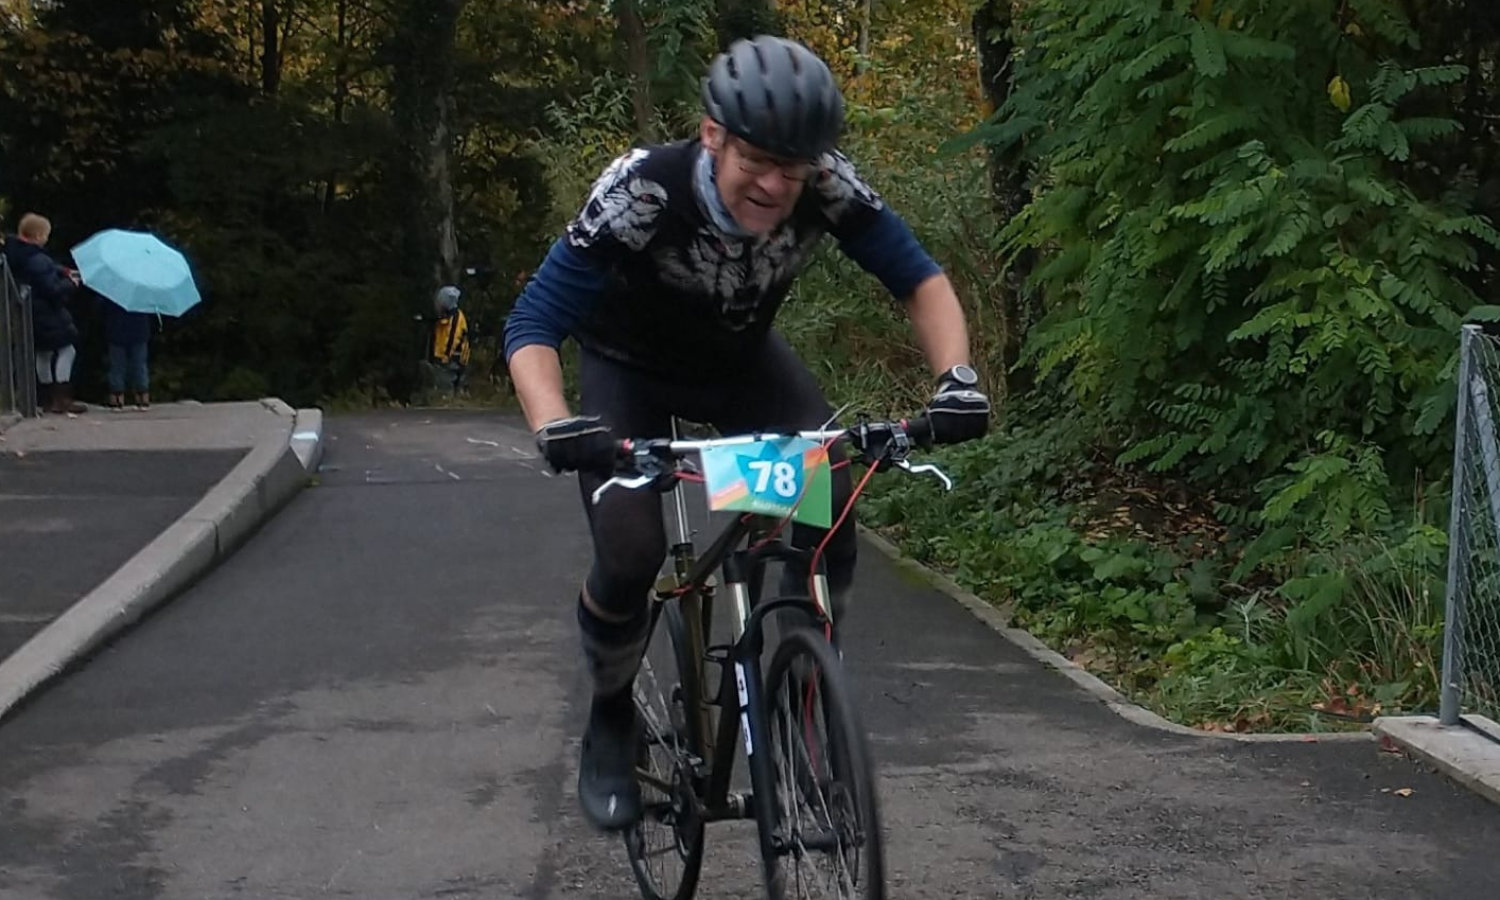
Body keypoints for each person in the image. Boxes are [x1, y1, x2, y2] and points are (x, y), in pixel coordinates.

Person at [502, 35, 991, 831]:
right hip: (627, 371)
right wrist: (555, 424)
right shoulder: (641, 190)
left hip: (739, 365)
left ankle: (805, 703)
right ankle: (610, 716)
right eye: (756, 161)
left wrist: (957, 378)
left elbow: (919, 278)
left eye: (791, 169)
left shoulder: (825, 184)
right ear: (712, 136)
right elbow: (533, 321)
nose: (772, 185)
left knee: (829, 499)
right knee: (630, 551)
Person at [3, 213, 86, 414]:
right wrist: (71, 283)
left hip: (30, 312)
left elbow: (43, 271)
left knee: (43, 353)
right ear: (38, 236)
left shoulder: (16, 253)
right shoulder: (38, 259)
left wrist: (62, 271)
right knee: (67, 350)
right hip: (47, 313)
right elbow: (52, 289)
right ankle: (61, 396)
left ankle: (46, 398)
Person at [100, 291, 152, 409]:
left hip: (116, 330)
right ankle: (142, 396)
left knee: (117, 365)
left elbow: (101, 307)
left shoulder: (112, 291)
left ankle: (117, 396)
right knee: (139, 365)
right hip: (139, 331)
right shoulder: (143, 291)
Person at [427, 284, 470, 395]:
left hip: (454, 357)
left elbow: (453, 338)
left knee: (447, 383)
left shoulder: (456, 318)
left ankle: (451, 396)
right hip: (445, 357)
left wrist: (446, 356)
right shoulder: (445, 317)